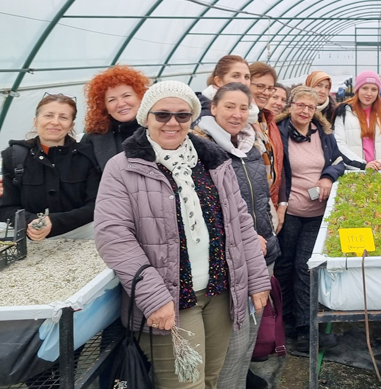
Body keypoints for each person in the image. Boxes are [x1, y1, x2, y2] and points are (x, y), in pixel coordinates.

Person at [94, 81, 270, 389]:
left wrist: (257, 279)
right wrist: (154, 298)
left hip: (219, 291)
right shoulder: (123, 168)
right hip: (172, 299)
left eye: (182, 115)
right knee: (185, 385)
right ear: (146, 118)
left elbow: (240, 222)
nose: (172, 122)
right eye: (162, 115)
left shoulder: (213, 162)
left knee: (211, 380)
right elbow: (114, 236)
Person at [192, 82, 279, 389]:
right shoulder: (200, 148)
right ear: (212, 108)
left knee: (249, 337)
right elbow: (201, 208)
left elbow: (259, 192)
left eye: (243, 107)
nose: (237, 114)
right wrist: (242, 238)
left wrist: (270, 215)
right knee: (232, 339)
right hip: (230, 258)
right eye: (229, 106)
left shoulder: (250, 145)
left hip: (264, 251)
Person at [276, 86, 345, 354]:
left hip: (317, 212)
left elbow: (339, 160)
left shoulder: (323, 134)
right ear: (290, 105)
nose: (305, 111)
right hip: (290, 212)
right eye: (300, 105)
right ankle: (286, 323)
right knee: (284, 266)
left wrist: (327, 175)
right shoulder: (279, 133)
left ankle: (306, 330)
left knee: (306, 267)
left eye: (311, 106)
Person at [0, 94, 99, 240]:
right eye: (48, 115)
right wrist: (31, 222)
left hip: (81, 237)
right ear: (36, 120)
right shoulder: (15, 156)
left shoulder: (87, 155)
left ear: (71, 125)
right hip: (32, 239)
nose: (55, 122)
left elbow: (96, 205)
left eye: (63, 117)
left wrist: (54, 222)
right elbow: (6, 208)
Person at [81, 65, 150, 172]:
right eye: (112, 100)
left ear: (141, 97)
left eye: (126, 96)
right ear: (104, 107)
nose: (121, 104)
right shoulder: (94, 138)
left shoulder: (159, 129)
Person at [334, 71, 381, 170]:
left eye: (374, 89)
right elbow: (339, 144)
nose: (369, 93)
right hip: (355, 174)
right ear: (357, 90)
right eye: (365, 88)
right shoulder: (343, 112)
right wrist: (363, 166)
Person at [249, 62, 285, 231]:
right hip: (250, 212)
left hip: (268, 205)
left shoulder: (268, 122)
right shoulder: (242, 124)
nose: (266, 92)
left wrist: (280, 204)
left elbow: (278, 166)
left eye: (270, 88)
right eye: (260, 86)